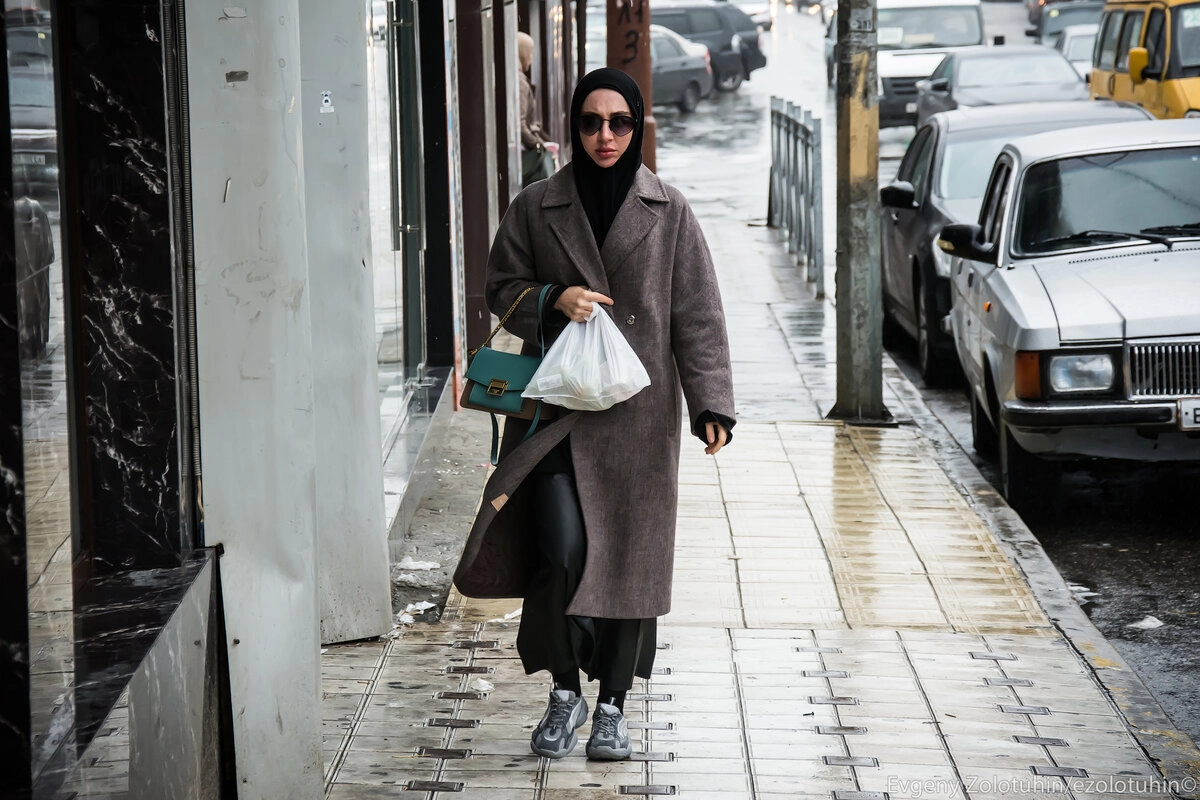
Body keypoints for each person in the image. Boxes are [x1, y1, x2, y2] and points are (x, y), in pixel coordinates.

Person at [453, 68, 736, 762]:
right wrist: (555, 298)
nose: (604, 136)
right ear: (574, 126)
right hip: (556, 413)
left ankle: (612, 704)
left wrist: (711, 404)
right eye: (590, 122)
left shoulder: (669, 211)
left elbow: (697, 313)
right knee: (560, 554)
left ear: (636, 128)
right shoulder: (537, 204)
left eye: (619, 123)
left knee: (629, 566)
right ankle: (563, 691)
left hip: (639, 420)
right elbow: (500, 287)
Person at [517, 32, 558, 186]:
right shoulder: (520, 82)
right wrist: (537, 144)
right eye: (530, 53)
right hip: (526, 151)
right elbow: (520, 123)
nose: (531, 58)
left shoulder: (517, 79)